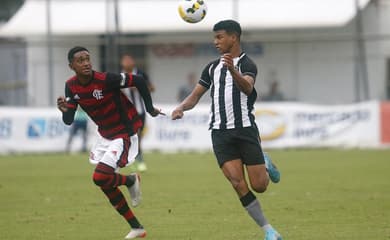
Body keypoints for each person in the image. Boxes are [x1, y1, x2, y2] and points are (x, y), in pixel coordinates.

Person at [171, 20, 283, 240]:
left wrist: (232, 70)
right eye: (214, 37)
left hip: (245, 130)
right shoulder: (211, 68)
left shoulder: (247, 64)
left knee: (259, 186)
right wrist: (181, 107)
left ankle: (263, 158)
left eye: (219, 37)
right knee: (237, 183)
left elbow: (248, 87)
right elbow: (195, 97)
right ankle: (268, 230)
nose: (215, 42)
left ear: (234, 37)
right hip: (220, 133)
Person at [57, 46, 163, 239]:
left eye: (87, 58)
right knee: (105, 183)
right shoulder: (71, 86)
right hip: (105, 137)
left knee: (99, 177)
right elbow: (69, 120)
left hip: (123, 133)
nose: (86, 63)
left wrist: (148, 108)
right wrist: (64, 111)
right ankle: (137, 227)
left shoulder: (106, 79)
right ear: (71, 66)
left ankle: (131, 180)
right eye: (80, 60)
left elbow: (138, 80)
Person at [120, 54, 155, 172]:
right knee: (129, 137)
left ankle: (138, 159)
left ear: (133, 62)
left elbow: (152, 88)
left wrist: (140, 87)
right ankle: (132, 160)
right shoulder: (119, 76)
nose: (127, 62)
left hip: (140, 111)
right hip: (125, 112)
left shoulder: (140, 74)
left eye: (130, 59)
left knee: (138, 136)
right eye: (125, 60)